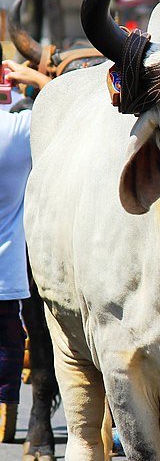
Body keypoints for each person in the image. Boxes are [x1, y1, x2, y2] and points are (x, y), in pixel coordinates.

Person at [0, 60, 49, 441]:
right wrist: (37, 80)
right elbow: (66, 106)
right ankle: (6, 409)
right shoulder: (18, 129)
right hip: (8, 269)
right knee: (10, 339)